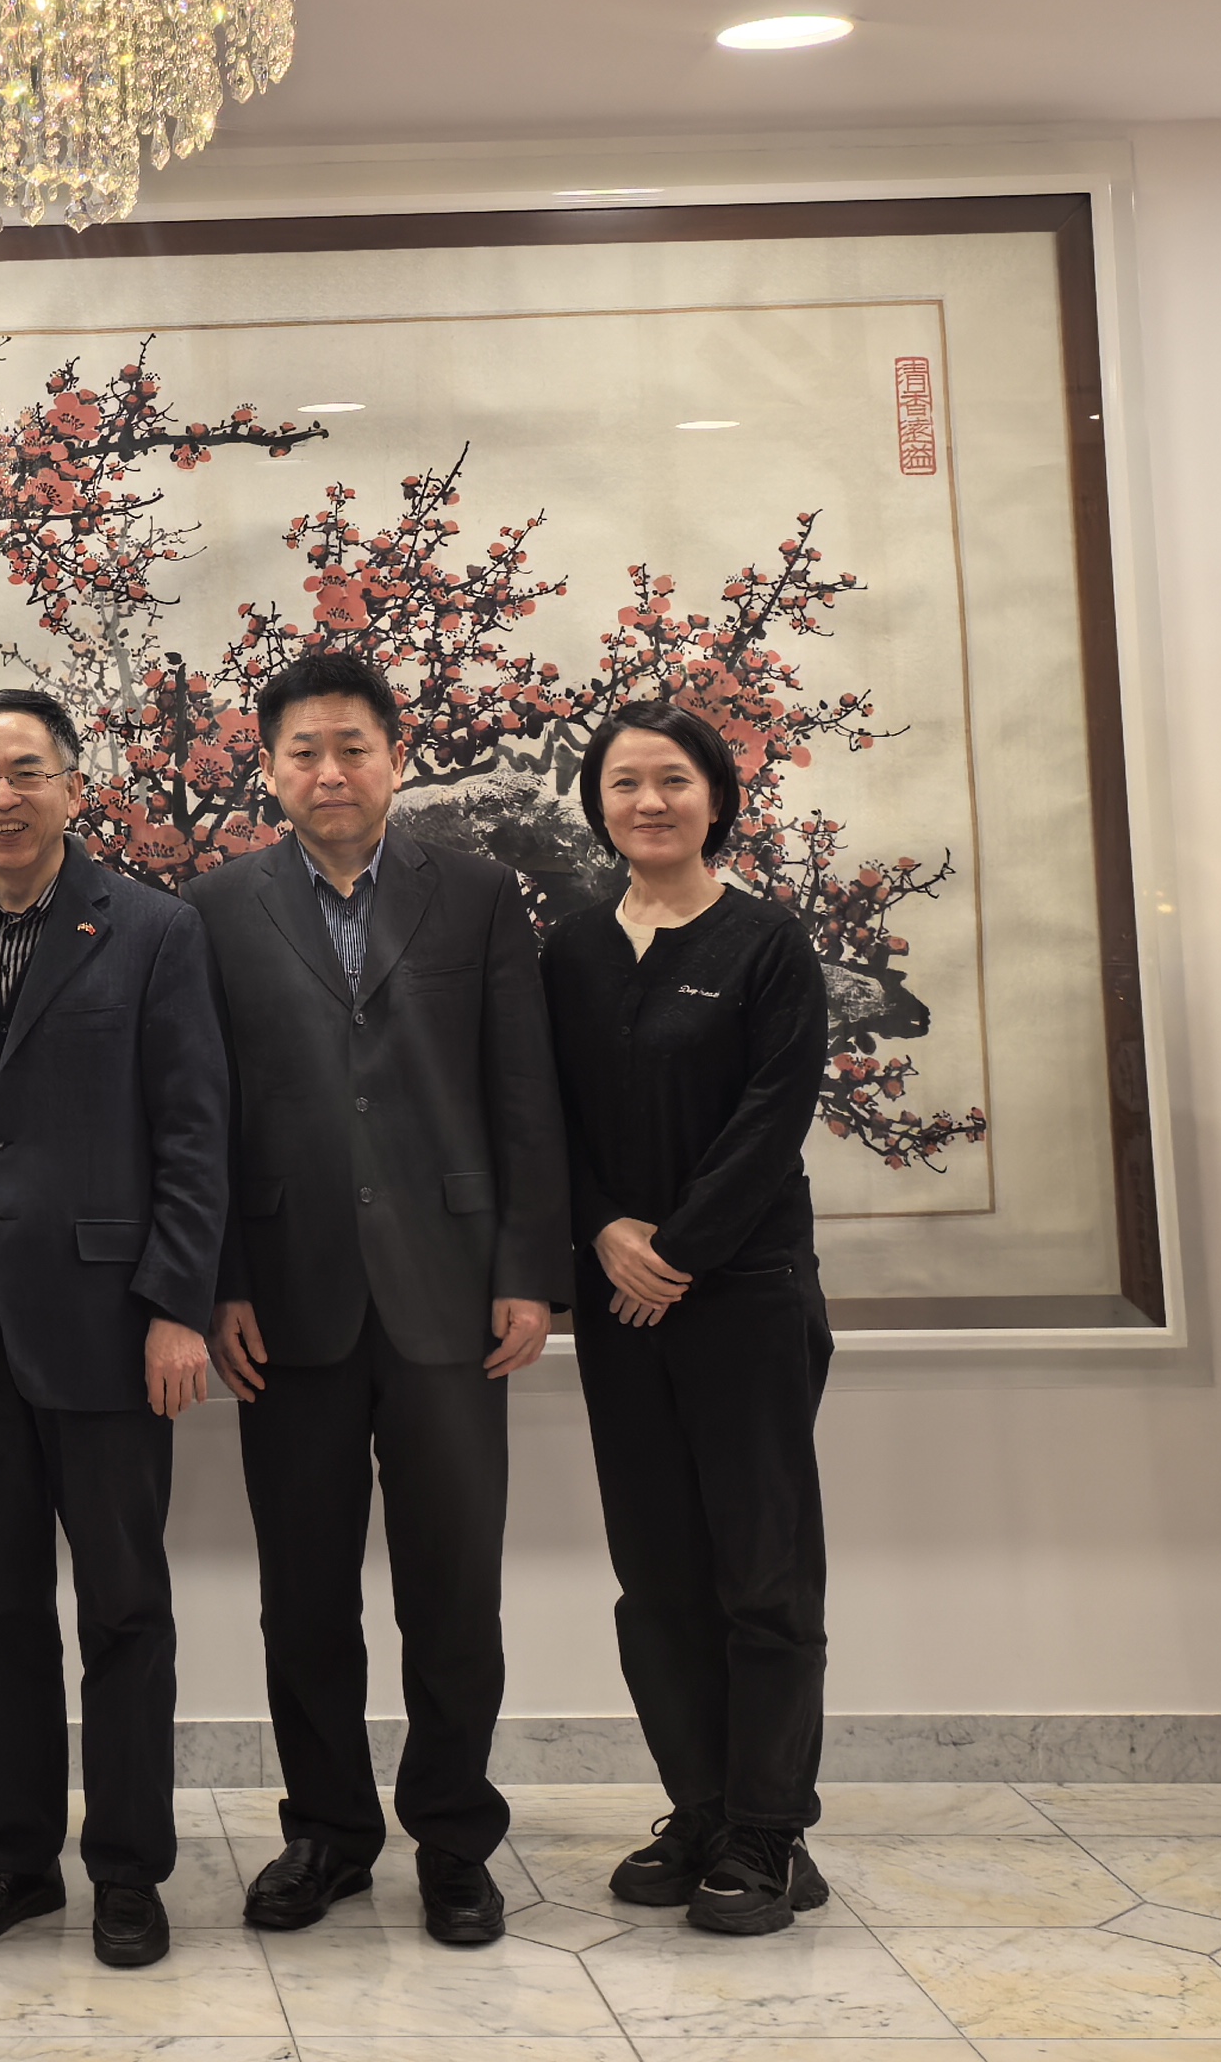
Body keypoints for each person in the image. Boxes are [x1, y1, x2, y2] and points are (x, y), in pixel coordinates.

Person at [203, 645, 570, 1949]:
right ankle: (326, 1833)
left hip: (450, 1297)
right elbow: (202, 1113)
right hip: (285, 1303)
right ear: (269, 769)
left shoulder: (474, 896)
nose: (329, 771)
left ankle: (456, 1840)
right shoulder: (217, 907)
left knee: (452, 1592)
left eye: (352, 747)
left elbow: (522, 1090)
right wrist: (220, 1282)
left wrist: (527, 1273)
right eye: (302, 751)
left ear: (395, 758)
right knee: (304, 1597)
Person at [0, 689, 228, 1970]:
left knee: (124, 1610)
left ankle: (128, 1869)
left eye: (25, 771)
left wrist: (176, 1305)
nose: (1, 797)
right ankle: (13, 1862)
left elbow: (195, 1131)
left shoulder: (155, 929)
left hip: (112, 1326)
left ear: (74, 785)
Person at [543, 697, 838, 1938]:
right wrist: (604, 1229)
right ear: (596, 804)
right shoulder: (568, 950)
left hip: (746, 1296)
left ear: (715, 797)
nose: (647, 802)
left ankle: (767, 1832)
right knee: (655, 1576)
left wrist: (673, 1250)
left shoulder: (767, 943)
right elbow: (542, 1116)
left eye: (671, 779)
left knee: (760, 1572)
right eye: (623, 783)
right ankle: (700, 1809)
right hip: (619, 1304)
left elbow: (772, 1119)